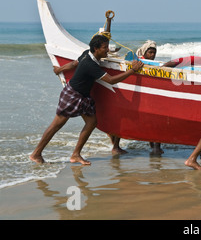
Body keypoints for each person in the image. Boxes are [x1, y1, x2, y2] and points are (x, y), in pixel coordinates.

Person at [30, 34, 143, 165]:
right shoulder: (91, 65)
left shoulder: (87, 53)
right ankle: (36, 154)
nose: (107, 50)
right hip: (72, 95)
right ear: (96, 48)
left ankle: (76, 154)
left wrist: (59, 69)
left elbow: (74, 63)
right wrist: (132, 70)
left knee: (92, 122)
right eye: (105, 48)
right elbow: (111, 81)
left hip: (83, 96)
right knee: (56, 125)